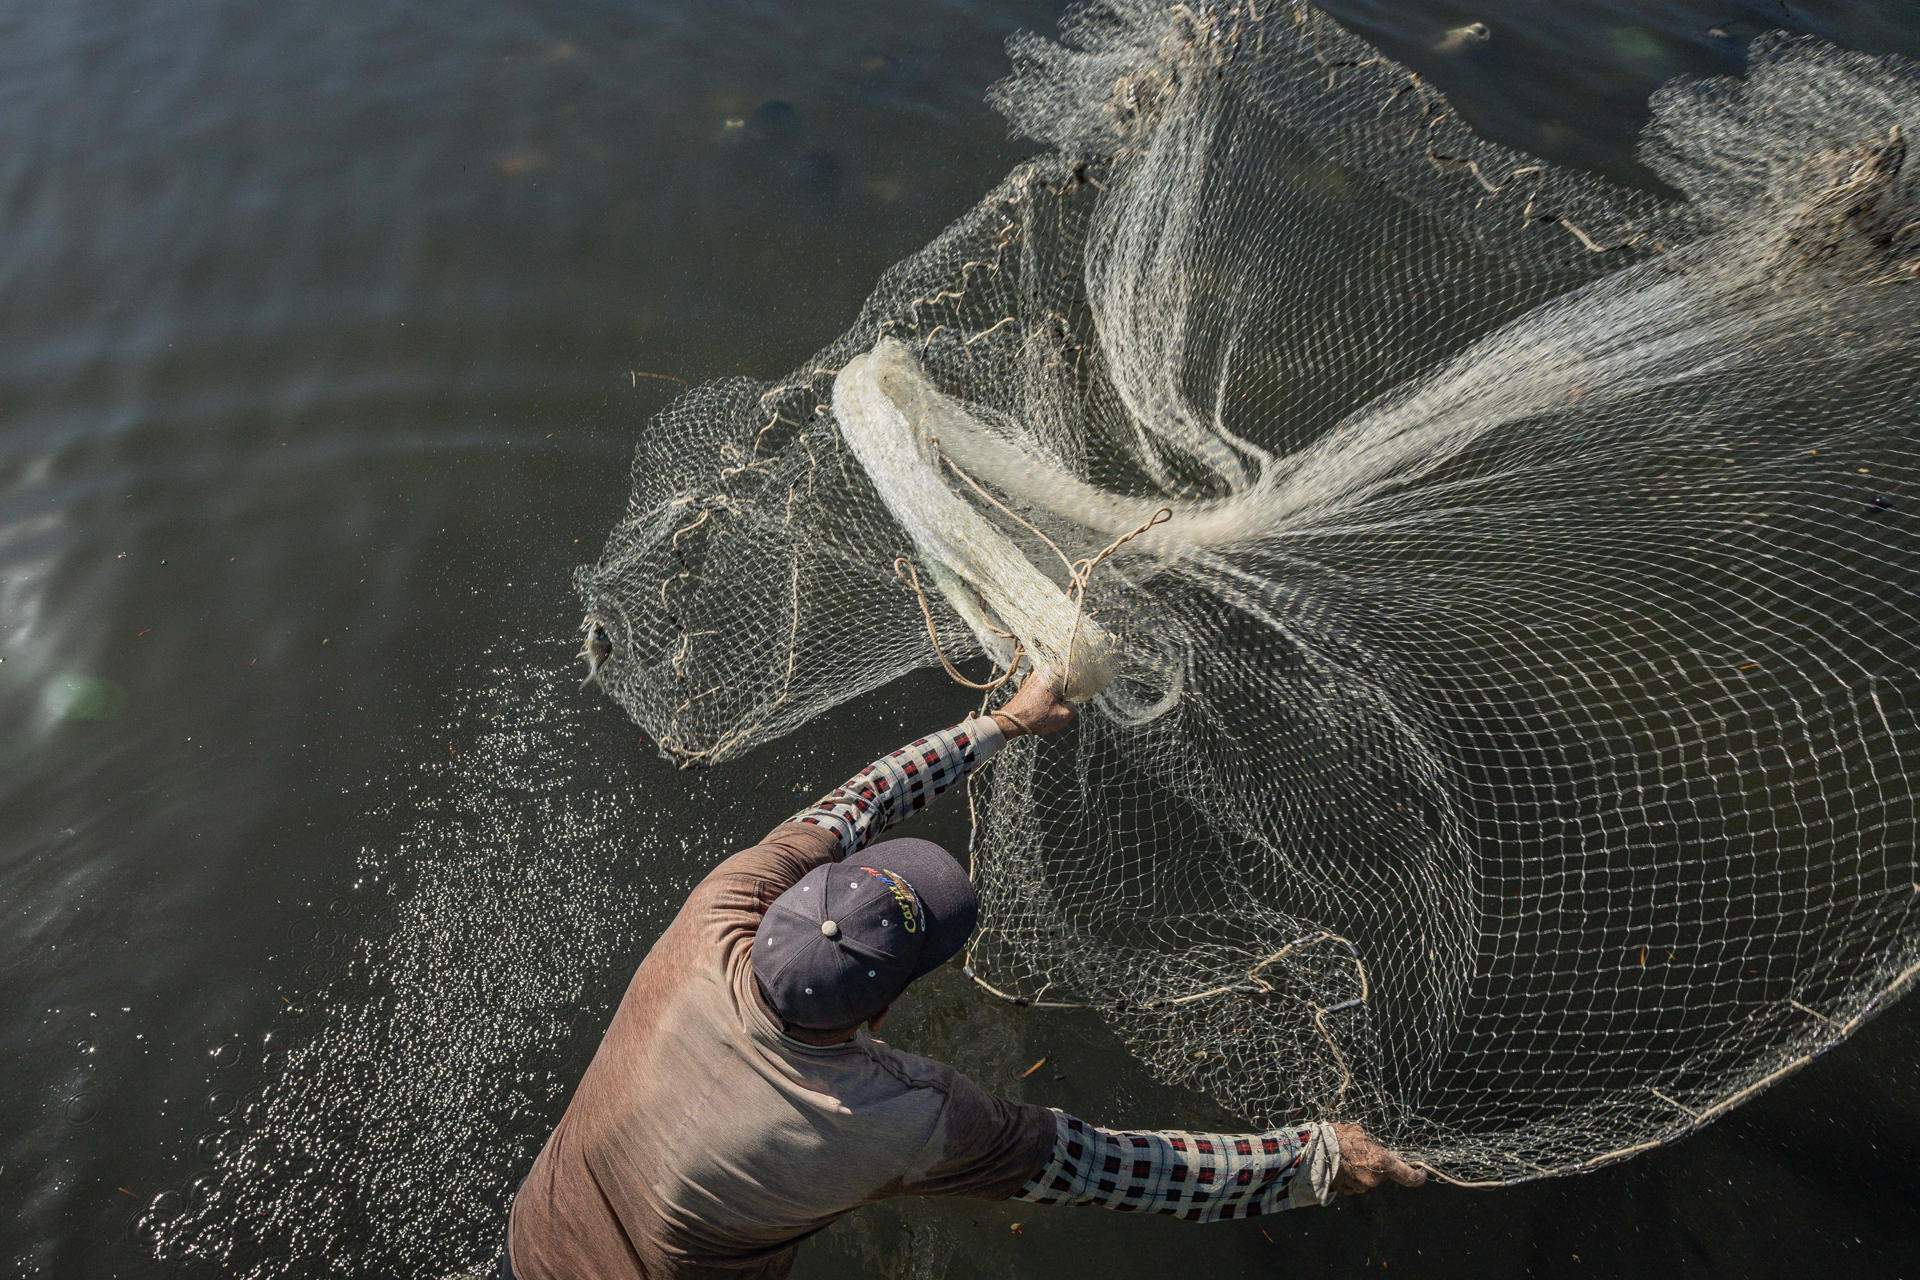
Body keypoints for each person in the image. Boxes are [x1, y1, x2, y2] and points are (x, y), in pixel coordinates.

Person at [503, 670, 1423, 1279]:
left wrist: (1009, 720)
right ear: (895, 998)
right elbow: (1112, 1169)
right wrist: (1320, 1158)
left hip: (532, 1244)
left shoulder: (716, 911)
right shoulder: (897, 1118)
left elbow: (862, 797)